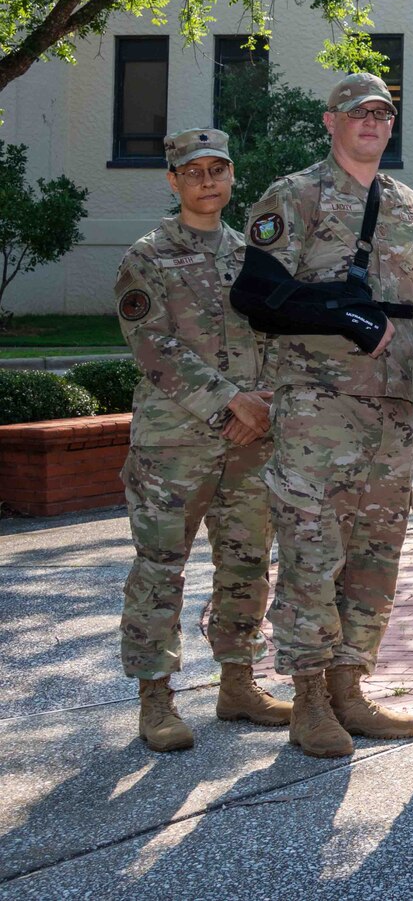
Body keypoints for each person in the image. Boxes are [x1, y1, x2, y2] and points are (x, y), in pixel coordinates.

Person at [242, 72, 413, 759]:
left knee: (377, 558)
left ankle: (352, 684)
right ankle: (310, 697)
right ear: (331, 122)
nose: (371, 123)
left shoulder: (410, 205)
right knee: (312, 556)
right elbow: (257, 292)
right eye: (358, 113)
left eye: (382, 112)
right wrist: (342, 314)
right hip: (316, 410)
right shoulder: (295, 194)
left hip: (392, 413)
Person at [113, 127, 289, 752]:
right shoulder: (147, 256)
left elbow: (279, 336)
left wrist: (261, 405)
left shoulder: (254, 257)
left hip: (249, 441)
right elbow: (151, 345)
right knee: (161, 567)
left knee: (245, 563)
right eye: (194, 172)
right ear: (173, 181)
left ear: (232, 177)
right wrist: (230, 401)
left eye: (218, 169)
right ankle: (155, 696)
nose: (207, 181)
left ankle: (238, 682)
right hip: (174, 444)